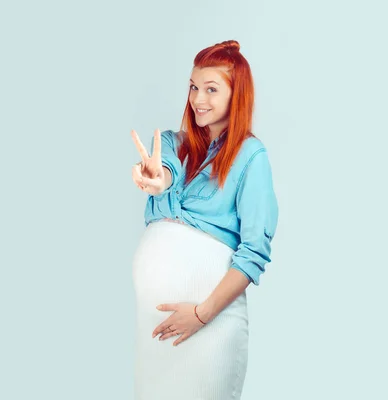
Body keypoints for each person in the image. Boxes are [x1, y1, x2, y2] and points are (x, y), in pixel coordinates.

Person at [130, 40, 278, 400]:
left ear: (236, 95)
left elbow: (254, 251)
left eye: (212, 89)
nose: (198, 99)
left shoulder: (250, 156)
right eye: (194, 87)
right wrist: (154, 178)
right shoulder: (172, 143)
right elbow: (163, 172)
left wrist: (200, 314)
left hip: (211, 324)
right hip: (156, 333)